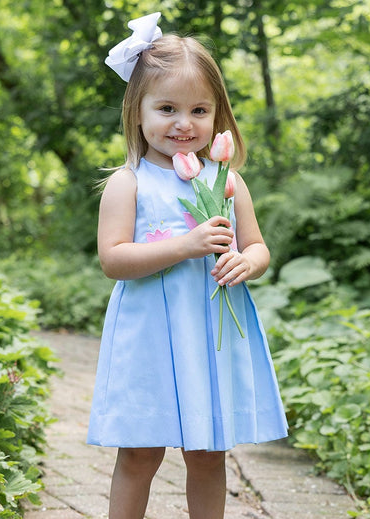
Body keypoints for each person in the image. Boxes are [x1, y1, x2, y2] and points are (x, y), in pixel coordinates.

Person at [89, 12, 287, 519]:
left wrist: (247, 262)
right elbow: (114, 259)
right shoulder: (128, 183)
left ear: (218, 114)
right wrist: (185, 245)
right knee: (139, 450)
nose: (184, 123)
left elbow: (258, 246)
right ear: (138, 111)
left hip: (207, 332)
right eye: (167, 108)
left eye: (199, 109)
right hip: (150, 334)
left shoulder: (226, 180)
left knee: (207, 451)